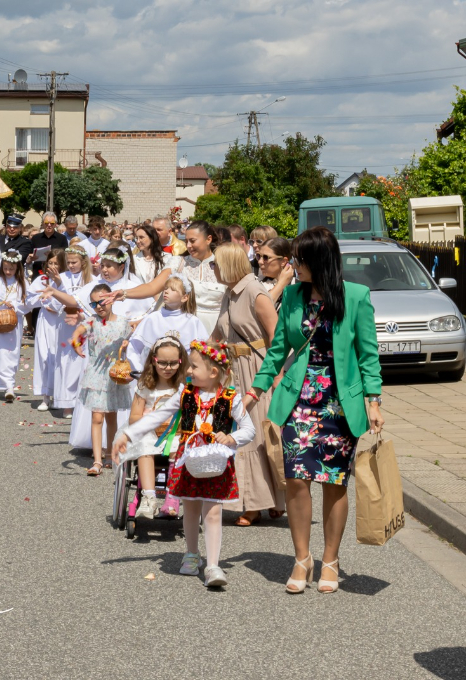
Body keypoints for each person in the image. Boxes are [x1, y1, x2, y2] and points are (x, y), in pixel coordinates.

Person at [248, 227, 383, 595]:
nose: (294, 266)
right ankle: (302, 558)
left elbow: (368, 355)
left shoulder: (355, 296)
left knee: (334, 483)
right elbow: (278, 350)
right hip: (299, 401)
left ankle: (331, 559)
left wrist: (374, 401)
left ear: (320, 261)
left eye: (301, 260)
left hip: (340, 405)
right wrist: (255, 389)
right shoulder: (292, 295)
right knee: (296, 478)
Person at [114, 340, 257, 589]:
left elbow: (249, 430)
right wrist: (128, 434)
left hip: (216, 463)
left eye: (193, 366)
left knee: (212, 512)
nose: (188, 371)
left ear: (213, 372)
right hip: (189, 460)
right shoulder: (185, 393)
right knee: (190, 509)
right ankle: (191, 554)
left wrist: (232, 437)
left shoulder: (231, 399)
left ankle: (212, 565)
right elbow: (158, 416)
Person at [210, 243, 284, 526]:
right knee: (246, 432)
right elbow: (218, 334)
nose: (213, 268)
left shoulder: (254, 291)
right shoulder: (230, 292)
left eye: (216, 264)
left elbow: (276, 337)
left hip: (256, 368)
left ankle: (256, 503)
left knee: (256, 434)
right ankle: (268, 500)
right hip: (235, 370)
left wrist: (276, 378)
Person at [60, 284, 133, 476]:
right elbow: (77, 332)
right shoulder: (92, 322)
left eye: (102, 302)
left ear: (111, 300)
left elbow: (134, 332)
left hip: (114, 375)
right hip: (96, 375)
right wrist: (76, 343)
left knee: (111, 417)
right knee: (97, 417)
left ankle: (110, 454)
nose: (99, 306)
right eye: (94, 304)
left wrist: (127, 342)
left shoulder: (123, 323)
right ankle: (97, 460)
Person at [117, 335, 188, 520]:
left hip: (176, 430)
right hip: (148, 430)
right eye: (163, 363)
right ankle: (149, 497)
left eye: (173, 363)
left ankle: (172, 497)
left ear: (180, 362)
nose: (168, 367)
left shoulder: (183, 387)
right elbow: (134, 417)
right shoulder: (146, 385)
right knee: (145, 447)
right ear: (154, 361)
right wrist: (148, 419)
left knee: (179, 448)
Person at [30, 248, 89, 415]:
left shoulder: (91, 278)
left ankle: (81, 403)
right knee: (65, 363)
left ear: (83, 263)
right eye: (68, 262)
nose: (70, 265)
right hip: (65, 324)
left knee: (82, 363)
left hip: (84, 324)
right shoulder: (62, 277)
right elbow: (56, 305)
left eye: (74, 262)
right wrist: (58, 284)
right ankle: (66, 404)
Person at [125, 272, 208, 372]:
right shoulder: (153, 318)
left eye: (173, 289)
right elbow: (133, 347)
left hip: (183, 377)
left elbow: (204, 352)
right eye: (166, 288)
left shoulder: (192, 322)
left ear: (184, 297)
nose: (166, 292)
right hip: (156, 377)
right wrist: (139, 370)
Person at [0, 250, 37, 401]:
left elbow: (28, 304)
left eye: (12, 269)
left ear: (18, 268)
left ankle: (10, 385)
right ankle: (5, 385)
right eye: (6, 268)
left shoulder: (23, 283)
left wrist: (13, 305)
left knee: (12, 353)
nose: (8, 271)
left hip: (15, 322)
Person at [181, 221, 226, 332]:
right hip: (186, 327)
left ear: (208, 239)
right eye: (186, 241)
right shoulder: (179, 263)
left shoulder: (224, 264)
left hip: (217, 328)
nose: (188, 246)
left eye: (192, 241)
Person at [28, 213, 69, 277]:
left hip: (56, 272)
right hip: (38, 271)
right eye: (46, 223)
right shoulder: (35, 238)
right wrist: (31, 257)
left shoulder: (62, 238)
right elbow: (30, 253)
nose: (49, 225)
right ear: (43, 224)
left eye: (52, 223)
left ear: (55, 224)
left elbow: (64, 255)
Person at [257, 237, 295, 305]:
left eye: (266, 257)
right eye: (258, 256)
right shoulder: (256, 284)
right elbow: (263, 307)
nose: (260, 261)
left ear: (283, 261)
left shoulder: (297, 285)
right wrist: (281, 284)